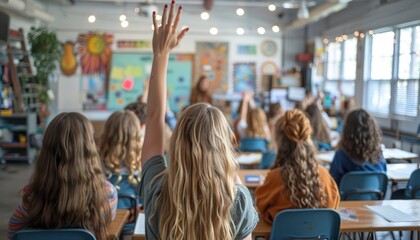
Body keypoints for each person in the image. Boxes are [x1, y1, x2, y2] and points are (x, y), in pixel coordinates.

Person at [139, 2, 258, 239]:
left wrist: (160, 54)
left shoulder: (157, 192)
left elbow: (153, 117)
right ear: (223, 146)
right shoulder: (238, 202)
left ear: (178, 142)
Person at [8, 112, 117, 240]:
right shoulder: (107, 193)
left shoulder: (32, 194)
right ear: (90, 149)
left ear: (46, 152)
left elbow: (13, 233)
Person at [254, 109, 340, 224]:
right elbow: (332, 208)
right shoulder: (324, 176)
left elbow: (261, 208)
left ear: (278, 141)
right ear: (308, 137)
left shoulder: (273, 179)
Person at [100, 110, 142, 232]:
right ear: (137, 136)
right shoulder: (142, 170)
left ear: (107, 134)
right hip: (133, 230)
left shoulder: (95, 167)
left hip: (103, 230)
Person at [329, 109, 387, 185]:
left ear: (347, 130)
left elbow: (332, 183)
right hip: (374, 196)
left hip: (346, 196)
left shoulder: (341, 156)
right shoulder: (379, 156)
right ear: (372, 130)